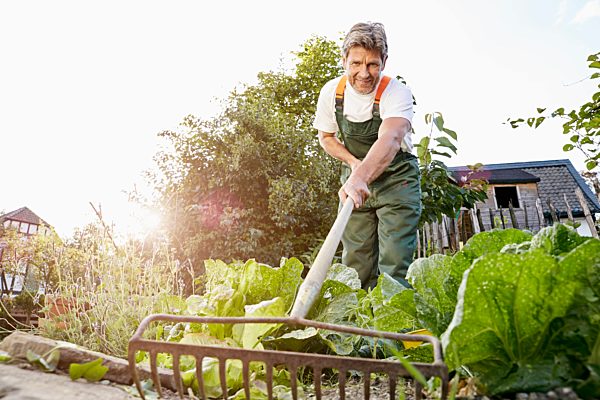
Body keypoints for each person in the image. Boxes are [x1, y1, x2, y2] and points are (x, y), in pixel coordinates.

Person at [313, 22, 421, 289]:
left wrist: (360, 176)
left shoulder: (396, 92)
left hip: (397, 183)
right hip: (355, 185)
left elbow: (391, 138)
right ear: (344, 60)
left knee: (393, 268)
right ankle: (355, 329)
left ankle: (391, 328)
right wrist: (353, 164)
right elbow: (326, 138)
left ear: (384, 61)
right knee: (355, 266)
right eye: (356, 63)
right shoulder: (332, 93)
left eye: (373, 64)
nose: (364, 73)